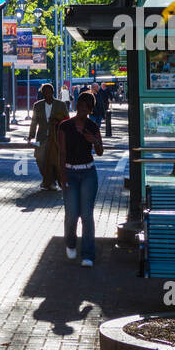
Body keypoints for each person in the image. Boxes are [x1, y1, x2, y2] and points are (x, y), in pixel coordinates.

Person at [57, 91, 103, 266]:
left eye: (86, 108)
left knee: (86, 215)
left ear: (90, 109)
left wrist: (94, 141)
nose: (83, 110)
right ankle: (70, 242)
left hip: (88, 173)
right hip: (70, 172)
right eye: (80, 106)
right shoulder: (65, 126)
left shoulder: (92, 126)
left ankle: (88, 254)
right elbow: (62, 153)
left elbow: (100, 152)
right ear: (77, 106)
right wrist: (63, 177)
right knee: (71, 214)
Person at [27, 82, 69, 189]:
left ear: (53, 92)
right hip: (41, 137)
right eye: (44, 92)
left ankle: (52, 180)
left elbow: (67, 121)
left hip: (56, 138)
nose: (47, 94)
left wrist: (58, 122)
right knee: (39, 158)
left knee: (55, 161)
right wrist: (31, 135)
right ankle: (47, 179)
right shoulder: (37, 105)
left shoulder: (61, 105)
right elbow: (34, 121)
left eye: (49, 92)